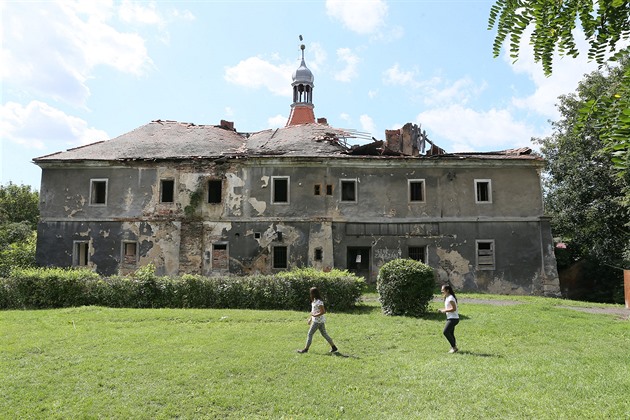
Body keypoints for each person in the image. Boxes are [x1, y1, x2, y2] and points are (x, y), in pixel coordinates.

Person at [297, 287, 338, 354]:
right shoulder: (314, 301)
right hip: (318, 321)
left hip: (317, 321)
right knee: (324, 334)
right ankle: (334, 347)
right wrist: (310, 319)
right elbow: (313, 311)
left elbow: (323, 311)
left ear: (313, 293)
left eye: (311, 293)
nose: (310, 294)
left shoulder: (319, 302)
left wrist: (315, 316)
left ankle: (305, 349)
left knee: (310, 334)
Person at [439, 284, 460, 353]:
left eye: (443, 290)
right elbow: (449, 307)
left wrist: (444, 310)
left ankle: (454, 347)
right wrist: (442, 309)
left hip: (453, 319)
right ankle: (454, 347)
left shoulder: (450, 298)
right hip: (451, 318)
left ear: (447, 290)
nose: (442, 291)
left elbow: (454, 309)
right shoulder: (447, 297)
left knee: (445, 332)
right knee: (451, 333)